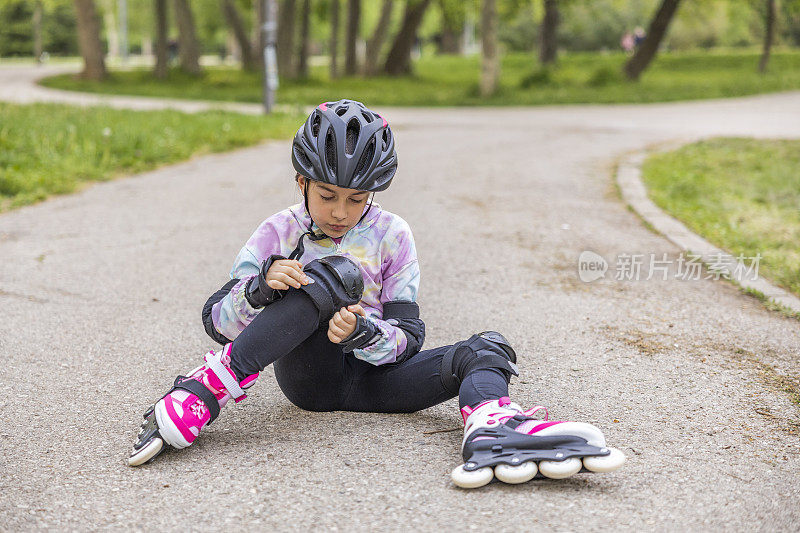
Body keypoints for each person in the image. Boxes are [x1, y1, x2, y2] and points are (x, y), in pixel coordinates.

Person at [128, 99, 625, 488]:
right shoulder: (278, 232)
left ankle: (494, 428)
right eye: (327, 196)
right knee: (331, 275)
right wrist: (259, 289)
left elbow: (409, 337)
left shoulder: (393, 234)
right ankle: (205, 391)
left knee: (486, 348)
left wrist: (363, 331)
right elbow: (217, 321)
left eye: (356, 199)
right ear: (301, 182)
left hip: (375, 378)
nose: (341, 212)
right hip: (312, 378)